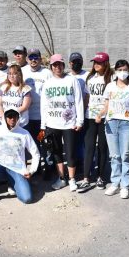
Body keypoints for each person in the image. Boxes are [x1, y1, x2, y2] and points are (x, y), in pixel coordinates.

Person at [40, 54, 84, 192]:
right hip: (52, 123)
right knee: (57, 152)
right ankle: (61, 178)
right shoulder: (47, 83)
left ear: (64, 65)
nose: (57, 67)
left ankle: (71, 179)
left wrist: (80, 120)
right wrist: (43, 125)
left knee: (70, 153)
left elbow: (78, 101)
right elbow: (44, 105)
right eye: (54, 65)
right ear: (51, 67)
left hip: (69, 123)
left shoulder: (72, 80)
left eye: (59, 64)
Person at [0, 108, 40, 205]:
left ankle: (12, 184)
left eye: (15, 116)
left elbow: (35, 153)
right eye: (9, 116)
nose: (12, 119)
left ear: (18, 118)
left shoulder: (24, 133)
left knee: (27, 199)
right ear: (5, 118)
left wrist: (31, 170)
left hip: (16, 169)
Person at [103, 60, 129, 199]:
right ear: (115, 71)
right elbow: (106, 104)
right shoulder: (110, 86)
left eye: (124, 69)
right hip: (111, 123)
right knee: (114, 155)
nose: (122, 72)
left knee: (125, 155)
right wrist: (101, 114)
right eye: (119, 69)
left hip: (128, 124)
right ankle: (115, 182)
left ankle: (125, 185)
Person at [78, 52, 112, 192]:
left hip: (104, 118)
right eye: (95, 62)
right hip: (90, 117)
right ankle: (86, 178)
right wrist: (82, 113)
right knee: (89, 147)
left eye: (99, 62)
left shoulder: (111, 79)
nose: (96, 64)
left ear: (106, 64)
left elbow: (110, 100)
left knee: (102, 148)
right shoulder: (90, 78)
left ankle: (100, 177)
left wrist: (101, 113)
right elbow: (87, 97)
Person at [22, 49, 53, 175]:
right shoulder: (23, 72)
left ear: (40, 59)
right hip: (28, 116)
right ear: (27, 59)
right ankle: (37, 166)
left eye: (36, 57)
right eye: (31, 58)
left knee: (45, 143)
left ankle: (48, 167)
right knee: (33, 144)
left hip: (43, 117)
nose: (33, 60)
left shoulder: (47, 73)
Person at [68, 52, 89, 169]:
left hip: (85, 114)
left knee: (84, 141)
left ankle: (84, 164)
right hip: (70, 116)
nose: (76, 64)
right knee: (72, 142)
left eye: (78, 61)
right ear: (70, 63)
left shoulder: (88, 75)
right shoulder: (67, 76)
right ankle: (74, 163)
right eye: (74, 62)